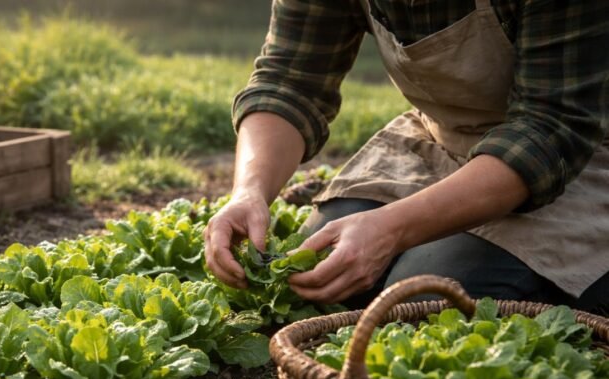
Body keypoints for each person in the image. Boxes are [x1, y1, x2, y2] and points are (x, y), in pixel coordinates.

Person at [203, 0, 609, 311]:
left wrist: (392, 228)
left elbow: (550, 129)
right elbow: (289, 81)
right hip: (442, 139)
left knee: (420, 309)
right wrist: (248, 192)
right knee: (316, 280)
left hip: (582, 158)